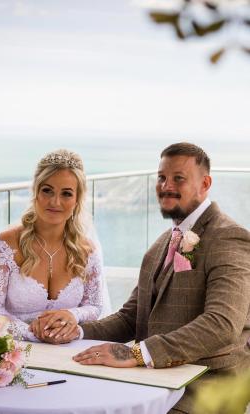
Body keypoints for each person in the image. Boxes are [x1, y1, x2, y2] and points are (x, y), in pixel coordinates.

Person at [44, 142, 250, 413]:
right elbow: (131, 317)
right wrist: (76, 331)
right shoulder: (161, 244)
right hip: (152, 379)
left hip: (206, 386)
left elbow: (222, 324)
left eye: (179, 178)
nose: (166, 186)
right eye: (162, 177)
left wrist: (136, 353)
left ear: (205, 183)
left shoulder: (228, 237)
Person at [0, 149, 105, 342]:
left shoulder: (87, 251)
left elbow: (95, 306)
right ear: (36, 192)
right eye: (47, 190)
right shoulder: (4, 245)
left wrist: (73, 315)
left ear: (77, 200)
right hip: (13, 350)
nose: (55, 202)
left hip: (66, 349)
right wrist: (33, 333)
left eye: (66, 194)